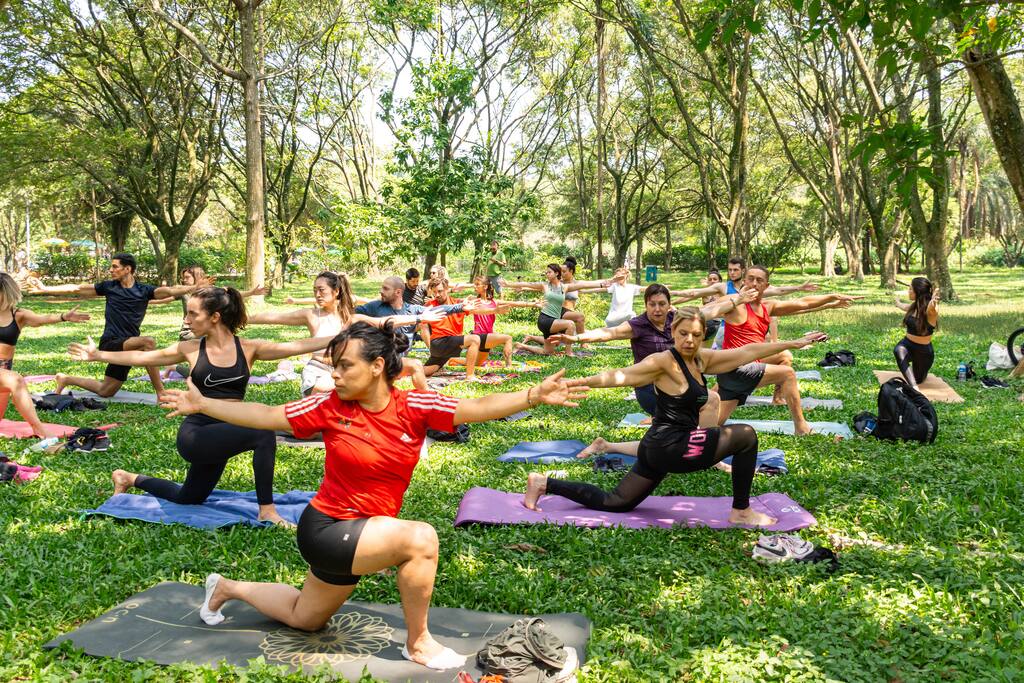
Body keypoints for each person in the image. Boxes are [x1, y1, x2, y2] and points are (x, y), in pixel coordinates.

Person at [157, 322, 586, 670]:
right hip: (327, 528)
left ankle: (226, 588)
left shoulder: (414, 406)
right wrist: (205, 405)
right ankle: (418, 644)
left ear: (378, 365)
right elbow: (268, 415)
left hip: (362, 533)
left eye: (344, 366)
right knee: (420, 540)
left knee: (305, 618)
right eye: (333, 367)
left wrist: (533, 395)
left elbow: (477, 406)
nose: (335, 375)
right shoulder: (329, 407)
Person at [523, 308, 827, 526]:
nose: (690, 340)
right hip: (671, 447)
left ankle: (543, 483)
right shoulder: (661, 362)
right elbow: (620, 376)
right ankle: (741, 511)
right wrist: (577, 382)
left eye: (696, 335)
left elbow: (749, 351)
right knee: (745, 435)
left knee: (616, 502)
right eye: (683, 334)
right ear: (673, 333)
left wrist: (793, 343)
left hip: (658, 447)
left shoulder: (702, 359)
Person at [68, 287, 344, 526]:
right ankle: (267, 511)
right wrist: (98, 355)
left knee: (188, 497)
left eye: (192, 314)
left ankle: (128, 478)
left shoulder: (248, 348)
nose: (186, 319)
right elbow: (143, 357)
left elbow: (298, 344)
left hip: (225, 431)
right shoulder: (190, 348)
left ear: (215, 317)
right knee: (262, 434)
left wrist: (342, 337)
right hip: (196, 435)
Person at [550, 283, 752, 420]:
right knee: (703, 405)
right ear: (645, 305)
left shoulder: (677, 319)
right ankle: (697, 447)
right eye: (652, 304)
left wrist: (739, 300)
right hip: (650, 390)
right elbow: (607, 333)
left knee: (705, 407)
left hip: (681, 384)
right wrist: (575, 338)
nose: (657, 309)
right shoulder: (638, 325)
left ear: (669, 305)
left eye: (662, 304)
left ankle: (697, 446)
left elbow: (710, 312)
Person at [31, 253, 209, 397]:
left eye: (115, 266)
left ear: (127, 269)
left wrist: (191, 288)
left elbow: (168, 291)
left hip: (128, 345)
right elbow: (77, 288)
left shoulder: (144, 290)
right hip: (111, 342)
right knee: (148, 342)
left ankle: (66, 379)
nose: (111, 270)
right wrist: (45, 289)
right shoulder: (109, 287)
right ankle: (161, 392)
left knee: (106, 391)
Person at [713, 265, 859, 435]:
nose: (754, 283)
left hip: (742, 372)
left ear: (766, 286)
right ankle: (801, 428)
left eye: (759, 280)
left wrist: (832, 297)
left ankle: (777, 398)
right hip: (736, 369)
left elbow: (802, 303)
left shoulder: (768, 307)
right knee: (787, 373)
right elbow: (708, 310)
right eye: (750, 278)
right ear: (744, 281)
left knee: (711, 427)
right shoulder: (733, 302)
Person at [247, 272, 436, 395]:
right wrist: (243, 318)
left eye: (321, 290)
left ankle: (429, 407)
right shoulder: (310, 315)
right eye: (315, 291)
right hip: (318, 374)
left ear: (336, 291)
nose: (317, 295)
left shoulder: (349, 315)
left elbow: (382, 322)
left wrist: (420, 318)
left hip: (344, 372)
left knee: (413, 365)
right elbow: (273, 317)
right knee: (337, 396)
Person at [0, 273, 90, 438]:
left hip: (4, 371)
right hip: (6, 376)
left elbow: (41, 319)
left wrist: (63, 317)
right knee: (16, 380)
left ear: (6, 293)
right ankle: (39, 428)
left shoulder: (18, 315)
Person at [149, 265, 267, 378]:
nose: (184, 280)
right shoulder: (184, 292)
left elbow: (231, 294)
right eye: (183, 278)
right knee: (204, 373)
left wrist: (251, 293)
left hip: (206, 331)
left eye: (187, 277)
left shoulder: (210, 292)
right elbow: (165, 298)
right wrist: (144, 301)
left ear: (197, 277)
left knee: (212, 367)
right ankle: (174, 367)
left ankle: (175, 367)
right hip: (190, 333)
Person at [504, 264, 609, 356]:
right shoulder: (545, 285)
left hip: (554, 320)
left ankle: (521, 346)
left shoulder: (564, 287)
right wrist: (508, 284)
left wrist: (601, 284)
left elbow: (583, 285)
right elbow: (527, 284)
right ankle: (569, 352)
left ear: (556, 273)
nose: (547, 274)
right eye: (546, 272)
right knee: (570, 324)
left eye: (549, 272)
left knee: (547, 352)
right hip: (545, 319)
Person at [355, 276, 476, 353]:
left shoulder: (412, 309)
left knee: (416, 366)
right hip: (378, 357)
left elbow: (438, 309)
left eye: (385, 289)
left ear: (398, 292)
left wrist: (460, 307)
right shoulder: (374, 306)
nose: (381, 291)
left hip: (399, 361)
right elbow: (349, 315)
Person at [893, 277, 940, 390]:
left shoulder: (930, 311)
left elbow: (932, 309)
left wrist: (933, 302)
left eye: (910, 289)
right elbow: (903, 307)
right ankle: (914, 388)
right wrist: (897, 302)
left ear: (917, 292)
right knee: (898, 350)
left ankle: (915, 382)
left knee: (918, 378)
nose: (908, 291)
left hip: (923, 351)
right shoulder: (914, 306)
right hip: (907, 344)